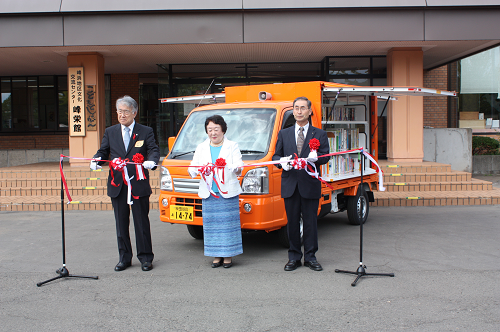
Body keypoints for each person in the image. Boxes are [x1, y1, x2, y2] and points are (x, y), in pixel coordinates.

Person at [90, 95, 160, 272]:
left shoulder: (145, 131)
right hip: (118, 183)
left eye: (126, 111)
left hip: (138, 183)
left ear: (134, 112)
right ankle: (124, 258)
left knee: (141, 222)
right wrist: (96, 160)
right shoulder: (110, 131)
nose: (122, 115)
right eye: (119, 111)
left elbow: (153, 149)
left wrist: (152, 161)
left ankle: (145, 258)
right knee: (121, 223)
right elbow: (103, 151)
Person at [273, 96, 330, 271]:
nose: (299, 111)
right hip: (290, 184)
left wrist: (315, 159)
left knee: (311, 222)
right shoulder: (284, 133)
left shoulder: (319, 133)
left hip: (309, 184)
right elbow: (275, 157)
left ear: (310, 111)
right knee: (292, 223)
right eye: (296, 108)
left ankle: (311, 257)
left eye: (303, 108)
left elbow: (326, 156)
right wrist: (283, 162)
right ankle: (294, 257)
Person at [188, 115, 244, 268]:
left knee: (227, 226)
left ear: (223, 130)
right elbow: (194, 166)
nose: (213, 133)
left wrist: (236, 168)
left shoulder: (232, 145)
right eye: (210, 130)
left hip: (227, 193)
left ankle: (228, 256)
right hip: (209, 193)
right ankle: (216, 255)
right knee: (212, 226)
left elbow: (240, 166)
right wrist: (192, 171)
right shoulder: (201, 147)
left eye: (216, 129)